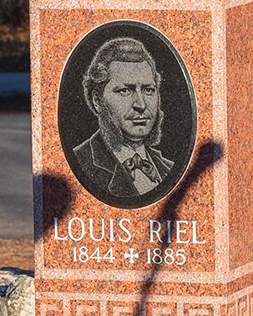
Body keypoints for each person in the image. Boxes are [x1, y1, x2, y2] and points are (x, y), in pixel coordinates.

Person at [70, 36, 176, 204]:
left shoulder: (168, 169)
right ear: (97, 101)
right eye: (125, 91)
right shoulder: (82, 163)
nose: (141, 105)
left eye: (148, 90)